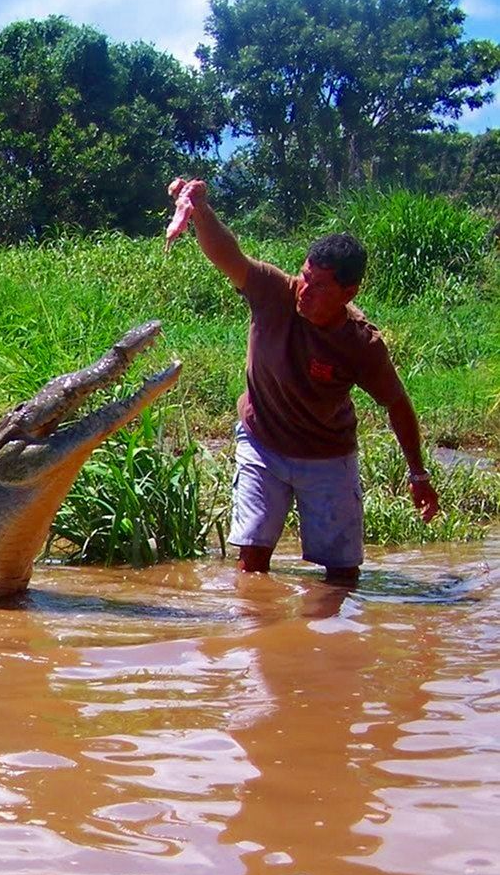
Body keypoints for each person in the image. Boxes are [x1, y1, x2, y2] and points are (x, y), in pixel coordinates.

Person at [170, 180, 439, 583]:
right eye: (305, 275)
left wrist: (418, 475)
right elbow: (228, 256)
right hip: (262, 441)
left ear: (348, 292)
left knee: (343, 576)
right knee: (251, 564)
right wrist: (201, 210)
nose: (304, 290)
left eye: (319, 285)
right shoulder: (274, 291)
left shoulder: (361, 344)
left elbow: (396, 403)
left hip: (327, 453)